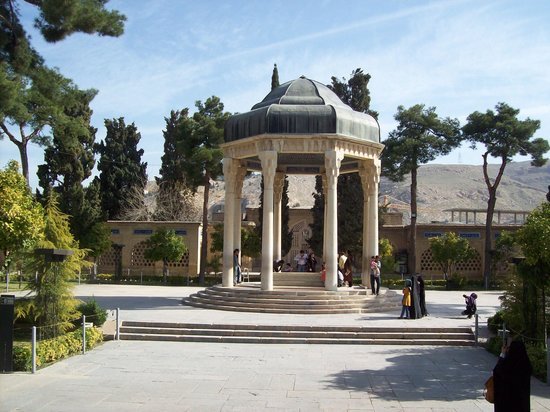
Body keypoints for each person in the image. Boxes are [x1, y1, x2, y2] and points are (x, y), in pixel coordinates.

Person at [493, 340, 532, 411]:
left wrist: (502, 354)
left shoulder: (507, 364)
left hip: (507, 403)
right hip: (521, 404)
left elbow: (496, 371)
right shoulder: (526, 365)